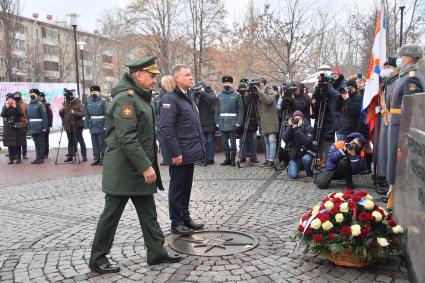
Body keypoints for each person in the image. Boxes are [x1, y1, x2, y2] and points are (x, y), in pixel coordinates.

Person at [89, 57, 181, 274]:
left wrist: (145, 167)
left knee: (148, 213)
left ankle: (156, 252)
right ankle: (98, 258)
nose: (154, 81)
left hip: (138, 169)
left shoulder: (139, 97)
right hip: (123, 170)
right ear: (138, 75)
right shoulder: (126, 100)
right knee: (111, 215)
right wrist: (146, 167)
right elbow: (127, 138)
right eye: (151, 76)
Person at [159, 65, 205, 236]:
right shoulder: (170, 98)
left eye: (191, 74)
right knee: (177, 188)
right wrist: (176, 152)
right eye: (187, 75)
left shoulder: (187, 96)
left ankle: (185, 218)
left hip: (189, 151)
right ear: (176, 78)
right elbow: (166, 128)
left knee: (186, 187)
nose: (191, 77)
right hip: (180, 153)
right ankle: (176, 222)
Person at [386, 44, 424, 209]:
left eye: (401, 56)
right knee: (395, 162)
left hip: (402, 127)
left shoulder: (412, 77)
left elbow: (411, 109)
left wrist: (406, 135)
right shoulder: (405, 76)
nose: (399, 59)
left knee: (399, 162)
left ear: (408, 58)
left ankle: (398, 200)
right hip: (396, 124)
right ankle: (394, 197)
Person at [374, 57, 399, 196]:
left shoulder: (397, 82)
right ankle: (383, 180)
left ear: (395, 68)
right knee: (383, 151)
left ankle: (388, 183)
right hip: (385, 122)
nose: (385, 70)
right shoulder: (387, 83)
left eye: (388, 67)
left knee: (389, 153)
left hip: (392, 123)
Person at [215, 75, 243, 166]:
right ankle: (227, 159)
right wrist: (217, 121)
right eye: (225, 83)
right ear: (223, 84)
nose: (226, 84)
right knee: (224, 142)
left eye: (228, 83)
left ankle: (232, 160)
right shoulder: (219, 95)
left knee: (233, 142)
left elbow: (240, 109)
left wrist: (238, 122)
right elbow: (217, 110)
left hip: (232, 122)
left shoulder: (237, 95)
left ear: (231, 84)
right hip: (222, 122)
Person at [283, 110, 314, 179]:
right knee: (292, 176)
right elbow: (285, 139)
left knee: (306, 159)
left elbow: (306, 142)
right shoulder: (291, 127)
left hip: (306, 153)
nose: (297, 121)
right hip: (296, 155)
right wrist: (289, 127)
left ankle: (308, 171)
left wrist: (296, 129)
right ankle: (293, 165)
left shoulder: (308, 127)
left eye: (298, 119)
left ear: (302, 119)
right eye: (295, 119)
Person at [256, 77, 279, 168]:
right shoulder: (258, 92)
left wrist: (259, 91)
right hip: (263, 120)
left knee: (272, 140)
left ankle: (272, 160)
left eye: (259, 82)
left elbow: (268, 100)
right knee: (266, 141)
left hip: (271, 120)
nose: (257, 84)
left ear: (263, 83)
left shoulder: (270, 90)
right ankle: (268, 159)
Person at [59, 91, 87, 162]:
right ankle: (70, 156)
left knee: (81, 141)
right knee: (70, 141)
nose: (69, 98)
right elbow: (63, 115)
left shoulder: (78, 103)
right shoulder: (66, 104)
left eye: (70, 96)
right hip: (68, 126)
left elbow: (83, 113)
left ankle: (84, 156)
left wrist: (75, 113)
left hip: (77, 125)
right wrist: (61, 111)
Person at [194, 80, 217, 165]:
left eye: (201, 87)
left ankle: (210, 158)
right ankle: (205, 157)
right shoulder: (196, 94)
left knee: (210, 141)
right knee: (204, 141)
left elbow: (213, 99)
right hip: (201, 121)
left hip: (210, 121)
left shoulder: (209, 92)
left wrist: (202, 93)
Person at [85, 85, 107, 166]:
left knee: (102, 143)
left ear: (99, 93)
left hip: (101, 124)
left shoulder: (103, 101)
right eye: (92, 92)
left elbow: (107, 114)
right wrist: (86, 125)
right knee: (94, 143)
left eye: (95, 92)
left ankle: (103, 158)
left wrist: (105, 125)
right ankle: (96, 158)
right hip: (92, 124)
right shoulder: (88, 101)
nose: (93, 93)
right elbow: (87, 114)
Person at [238, 82, 259, 163]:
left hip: (252, 120)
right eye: (241, 89)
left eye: (244, 88)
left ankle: (253, 156)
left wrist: (254, 93)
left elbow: (256, 103)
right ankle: (243, 156)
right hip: (242, 121)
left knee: (253, 139)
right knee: (243, 139)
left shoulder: (251, 95)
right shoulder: (238, 96)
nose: (243, 90)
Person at [1, 94, 24, 164]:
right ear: (7, 100)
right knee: (10, 144)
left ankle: (18, 158)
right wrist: (6, 107)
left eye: (11, 99)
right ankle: (11, 159)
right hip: (8, 128)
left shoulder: (17, 105)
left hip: (16, 127)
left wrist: (15, 107)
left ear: (13, 99)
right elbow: (2, 114)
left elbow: (21, 114)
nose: (10, 100)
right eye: (9, 99)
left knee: (17, 143)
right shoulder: (5, 106)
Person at [27, 89, 48, 164]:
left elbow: (44, 116)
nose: (32, 95)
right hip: (32, 127)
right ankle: (37, 157)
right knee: (36, 143)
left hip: (39, 127)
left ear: (37, 95)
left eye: (33, 93)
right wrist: (29, 127)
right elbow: (28, 117)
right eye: (31, 93)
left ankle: (41, 158)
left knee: (41, 143)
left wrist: (45, 127)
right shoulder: (29, 105)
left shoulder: (40, 104)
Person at [14, 91, 28, 159]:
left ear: (20, 96)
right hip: (15, 125)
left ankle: (24, 153)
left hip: (23, 125)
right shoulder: (12, 104)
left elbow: (27, 114)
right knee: (16, 140)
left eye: (18, 96)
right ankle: (17, 154)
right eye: (15, 96)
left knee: (23, 140)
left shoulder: (25, 104)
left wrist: (24, 120)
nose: (17, 97)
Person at [39, 92, 53, 158]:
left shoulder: (47, 104)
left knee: (45, 140)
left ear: (43, 97)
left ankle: (46, 153)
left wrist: (49, 124)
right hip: (39, 125)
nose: (40, 98)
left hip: (46, 124)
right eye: (39, 96)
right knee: (40, 140)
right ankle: (41, 152)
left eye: (41, 96)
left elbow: (50, 115)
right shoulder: (37, 104)